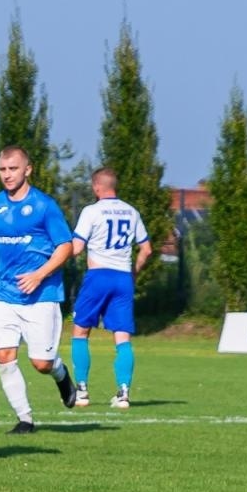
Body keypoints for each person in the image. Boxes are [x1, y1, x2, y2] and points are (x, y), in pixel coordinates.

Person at [0, 146, 79, 432]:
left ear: (27, 170)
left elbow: (65, 247)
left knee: (40, 363)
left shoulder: (44, 206)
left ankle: (61, 373)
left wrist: (39, 274)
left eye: (13, 169)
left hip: (41, 295)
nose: (7, 175)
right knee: (4, 357)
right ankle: (25, 419)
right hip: (4, 293)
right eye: (3, 169)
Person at [69, 167, 153, 409]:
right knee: (122, 337)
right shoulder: (131, 212)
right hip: (123, 277)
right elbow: (146, 249)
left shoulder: (91, 211)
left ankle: (82, 391)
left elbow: (76, 248)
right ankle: (123, 393)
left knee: (80, 332)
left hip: (98, 275)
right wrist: (134, 272)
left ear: (96, 187)